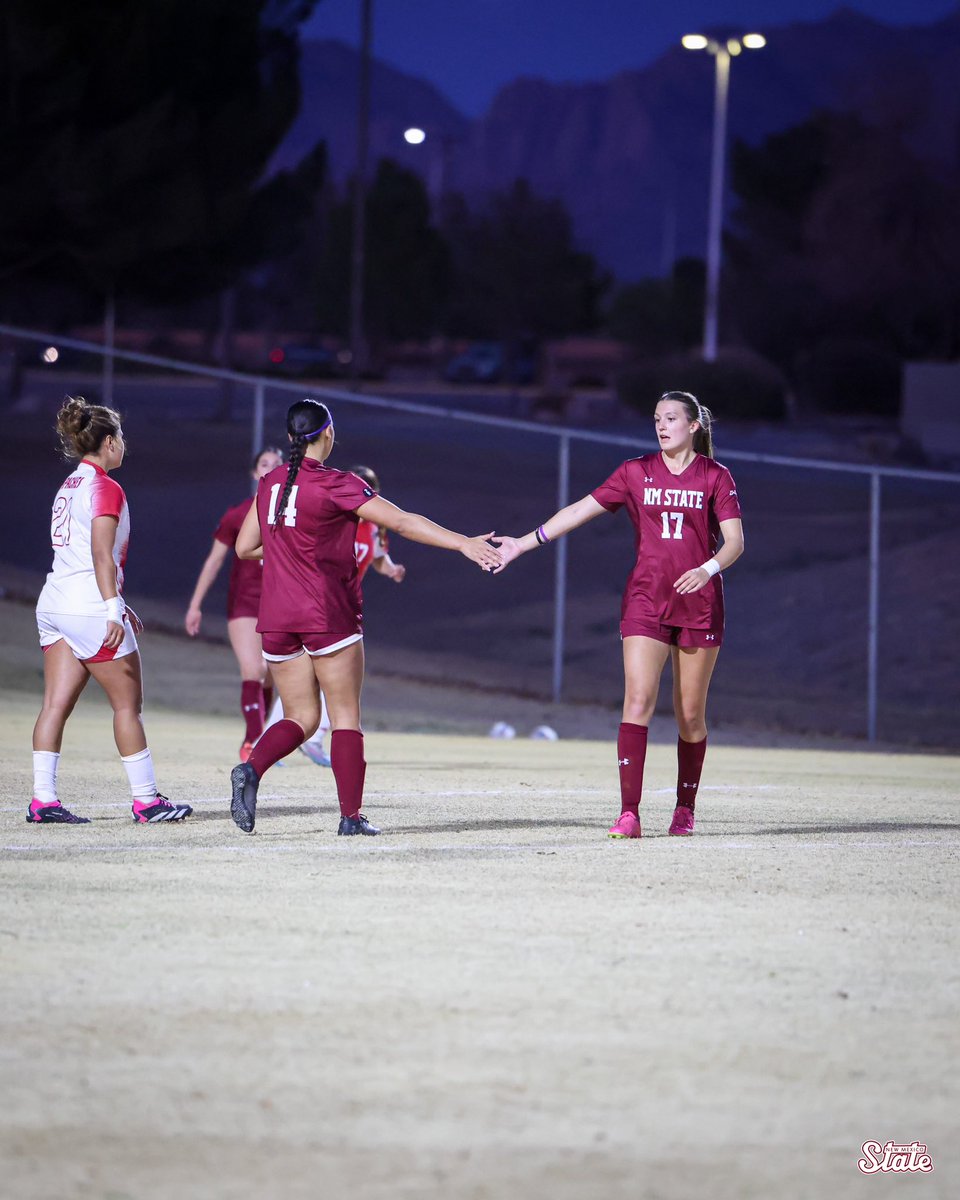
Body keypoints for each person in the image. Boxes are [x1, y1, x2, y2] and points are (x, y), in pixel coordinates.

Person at [229, 398, 502, 836]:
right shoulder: (338, 483)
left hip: (276, 617)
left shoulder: (270, 483)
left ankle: (252, 769)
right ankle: (350, 818)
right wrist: (463, 543)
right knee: (345, 717)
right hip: (326, 612)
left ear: (289, 439)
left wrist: (289, 554)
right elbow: (403, 522)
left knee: (300, 717)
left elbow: (245, 548)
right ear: (328, 434)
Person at [493, 390, 744, 838]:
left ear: (693, 426)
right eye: (656, 419)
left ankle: (685, 808)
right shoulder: (635, 472)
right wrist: (522, 543)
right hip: (646, 600)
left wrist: (707, 570)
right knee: (637, 700)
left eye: (671, 418)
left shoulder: (715, 475)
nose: (662, 426)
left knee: (689, 715)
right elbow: (579, 510)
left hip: (699, 604)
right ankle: (629, 813)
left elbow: (735, 542)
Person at [29, 396, 192, 825]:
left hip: (56, 603)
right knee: (127, 706)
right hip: (87, 606)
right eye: (119, 437)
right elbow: (102, 556)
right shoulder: (105, 486)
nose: (123, 444)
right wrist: (111, 607)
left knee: (54, 706)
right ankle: (147, 802)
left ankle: (43, 801)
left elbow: (83, 556)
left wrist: (117, 601)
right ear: (107, 441)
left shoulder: (70, 485)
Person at [269, 462, 407, 768]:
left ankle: (296, 739)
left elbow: (380, 560)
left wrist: (393, 570)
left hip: (339, 609)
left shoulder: (373, 529)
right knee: (315, 680)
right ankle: (286, 739)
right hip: (316, 607)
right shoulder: (334, 516)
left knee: (325, 681)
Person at [184, 446, 284, 761]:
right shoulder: (238, 514)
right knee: (253, 668)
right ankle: (254, 742)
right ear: (255, 473)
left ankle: (258, 736)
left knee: (270, 673)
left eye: (277, 464)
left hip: (280, 604)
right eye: (264, 464)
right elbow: (214, 561)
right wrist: (195, 605)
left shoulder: (291, 513)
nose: (270, 468)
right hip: (245, 603)